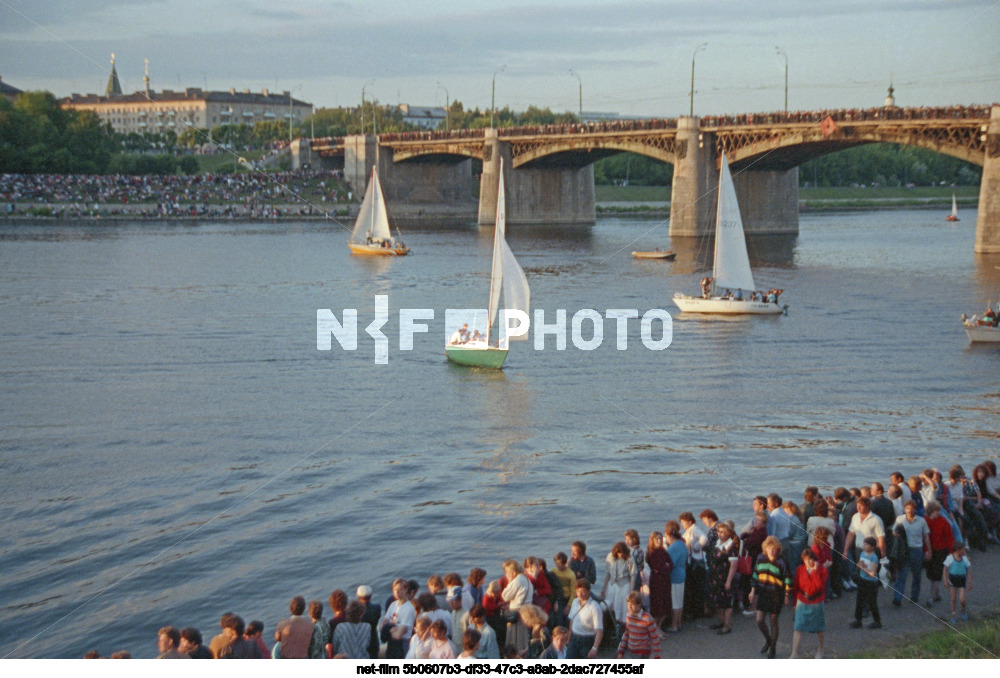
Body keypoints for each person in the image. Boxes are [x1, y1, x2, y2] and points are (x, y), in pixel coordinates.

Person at [750, 536, 791, 659]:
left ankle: (772, 648)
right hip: (763, 592)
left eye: (774, 548)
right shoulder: (760, 558)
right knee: (759, 620)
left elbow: (788, 578)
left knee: (773, 620)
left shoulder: (781, 561)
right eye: (769, 548)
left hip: (776, 594)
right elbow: (755, 574)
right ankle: (768, 640)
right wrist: (752, 591)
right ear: (765, 548)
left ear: (778, 549)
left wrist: (787, 595)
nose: (772, 550)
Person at [892, 500, 931, 607]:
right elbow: (894, 530)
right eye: (908, 508)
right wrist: (895, 534)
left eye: (912, 508)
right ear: (905, 509)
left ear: (916, 509)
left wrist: (928, 550)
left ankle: (914, 596)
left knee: (917, 575)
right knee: (902, 574)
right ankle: (897, 598)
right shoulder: (900, 519)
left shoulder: (921, 521)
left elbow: (926, 536)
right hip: (903, 550)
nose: (910, 510)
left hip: (917, 550)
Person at [789, 549, 827, 659]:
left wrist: (814, 572)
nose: (809, 562)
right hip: (802, 600)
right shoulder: (799, 570)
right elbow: (796, 586)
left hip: (816, 601)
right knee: (798, 627)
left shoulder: (822, 570)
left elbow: (819, 586)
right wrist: (795, 603)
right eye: (806, 560)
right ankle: (794, 652)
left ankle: (820, 649)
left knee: (819, 628)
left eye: (811, 559)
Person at [706, 522, 740, 634]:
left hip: (724, 577)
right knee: (716, 600)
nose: (720, 534)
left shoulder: (731, 546)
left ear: (728, 533)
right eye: (719, 531)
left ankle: (727, 625)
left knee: (726, 603)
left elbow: (734, 566)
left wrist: (729, 581)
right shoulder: (717, 543)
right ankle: (720, 621)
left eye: (722, 532)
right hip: (715, 576)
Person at [678, 512, 707, 622]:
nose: (682, 524)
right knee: (694, 587)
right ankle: (695, 611)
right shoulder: (688, 532)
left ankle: (698, 611)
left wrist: (697, 546)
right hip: (692, 561)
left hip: (696, 562)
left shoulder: (694, 529)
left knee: (696, 586)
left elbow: (704, 538)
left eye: (683, 522)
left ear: (689, 521)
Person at [924, 501, 954, 606]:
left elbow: (949, 538)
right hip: (929, 551)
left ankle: (931, 598)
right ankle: (936, 594)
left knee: (936, 575)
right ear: (932, 511)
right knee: (931, 574)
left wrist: (951, 552)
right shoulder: (925, 520)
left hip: (941, 550)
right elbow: (923, 538)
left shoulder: (943, 521)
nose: (939, 513)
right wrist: (926, 551)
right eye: (937, 511)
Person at [500, 559, 533, 654]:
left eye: (506, 572)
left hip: (517, 614)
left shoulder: (517, 580)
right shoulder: (526, 579)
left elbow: (505, 596)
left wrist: (510, 581)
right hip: (526, 611)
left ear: (511, 572)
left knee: (515, 639)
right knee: (523, 638)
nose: (505, 574)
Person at [850, 537, 883, 630]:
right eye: (864, 544)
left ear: (872, 547)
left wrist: (863, 568)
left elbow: (872, 573)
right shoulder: (862, 553)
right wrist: (859, 566)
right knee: (859, 600)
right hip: (862, 579)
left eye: (866, 544)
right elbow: (858, 565)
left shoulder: (874, 557)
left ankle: (877, 621)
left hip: (871, 582)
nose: (864, 546)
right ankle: (858, 620)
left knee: (872, 602)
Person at [380, 578, 417, 659]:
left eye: (400, 589)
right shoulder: (393, 605)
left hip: (402, 645)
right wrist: (392, 629)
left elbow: (398, 635)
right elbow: (381, 627)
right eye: (395, 589)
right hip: (391, 644)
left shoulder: (409, 608)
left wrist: (388, 628)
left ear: (405, 590)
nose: (397, 592)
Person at [616, 592, 660, 659]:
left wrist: (657, 656)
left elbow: (655, 638)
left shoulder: (647, 618)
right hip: (632, 650)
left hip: (643, 651)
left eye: (632, 604)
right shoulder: (629, 615)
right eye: (628, 604)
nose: (629, 607)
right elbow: (627, 633)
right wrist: (621, 651)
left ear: (639, 604)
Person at [566, 579, 603, 659]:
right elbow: (572, 621)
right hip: (574, 638)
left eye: (583, 591)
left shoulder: (594, 607)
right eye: (578, 591)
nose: (580, 594)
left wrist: (594, 648)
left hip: (587, 640)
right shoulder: (575, 602)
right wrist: (569, 638)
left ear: (588, 591)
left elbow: (599, 630)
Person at [663, 521, 688, 632]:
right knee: (679, 600)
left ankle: (674, 625)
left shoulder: (673, 547)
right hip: (682, 573)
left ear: (668, 534)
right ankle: (679, 623)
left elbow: (670, 563)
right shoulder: (682, 544)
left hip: (674, 576)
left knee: (675, 602)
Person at [600, 541, 632, 625]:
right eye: (618, 553)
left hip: (624, 585)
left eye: (621, 553)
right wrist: (604, 588)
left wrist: (631, 592)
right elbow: (607, 573)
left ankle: (622, 624)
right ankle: (612, 623)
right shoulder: (610, 557)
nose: (620, 555)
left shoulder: (629, 559)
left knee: (623, 606)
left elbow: (633, 576)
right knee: (610, 604)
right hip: (612, 585)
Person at [645, 531, 672, 630]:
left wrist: (665, 567)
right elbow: (657, 567)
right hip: (657, 581)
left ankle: (658, 627)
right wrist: (665, 566)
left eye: (660, 538)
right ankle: (655, 629)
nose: (659, 541)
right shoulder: (651, 552)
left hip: (665, 579)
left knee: (666, 604)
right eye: (657, 539)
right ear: (652, 540)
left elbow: (670, 564)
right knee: (658, 605)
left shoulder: (663, 550)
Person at [943, 541, 972, 623]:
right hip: (953, 580)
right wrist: (945, 580)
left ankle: (963, 610)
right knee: (953, 598)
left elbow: (969, 569)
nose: (964, 552)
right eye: (963, 550)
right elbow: (945, 569)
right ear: (957, 550)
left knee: (962, 599)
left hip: (962, 580)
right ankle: (953, 614)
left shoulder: (965, 559)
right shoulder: (950, 558)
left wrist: (969, 582)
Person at [550, 552, 577, 627]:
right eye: (556, 563)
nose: (557, 565)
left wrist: (569, 606)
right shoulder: (553, 572)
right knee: (557, 618)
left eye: (559, 563)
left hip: (566, 598)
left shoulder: (570, 574)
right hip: (557, 598)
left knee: (567, 619)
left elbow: (573, 592)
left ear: (565, 563)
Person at [355, 585, 381, 659]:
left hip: (361, 641)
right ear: (371, 595)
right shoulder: (377, 608)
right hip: (374, 640)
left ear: (358, 596)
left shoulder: (357, 612)